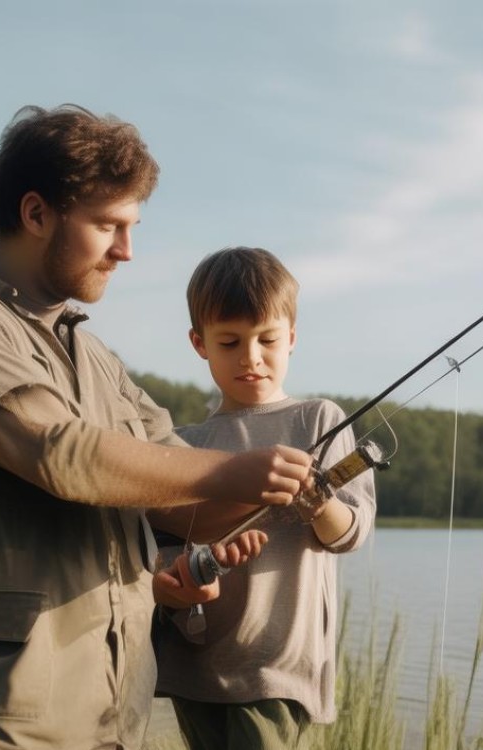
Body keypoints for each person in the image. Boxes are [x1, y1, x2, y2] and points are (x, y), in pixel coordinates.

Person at [0, 105, 312, 750]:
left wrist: (290, 486)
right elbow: (60, 455)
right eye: (109, 225)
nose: (126, 251)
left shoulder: (100, 361)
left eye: (131, 228)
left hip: (111, 723)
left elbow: (189, 508)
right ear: (36, 213)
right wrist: (235, 469)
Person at [148, 247, 377, 749]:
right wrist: (188, 567)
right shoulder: (183, 443)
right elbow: (158, 548)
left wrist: (320, 505)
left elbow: (352, 534)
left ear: (291, 338)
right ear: (199, 343)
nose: (251, 357)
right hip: (194, 665)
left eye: (267, 340)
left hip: (277, 667)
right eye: (229, 342)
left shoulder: (318, 420)